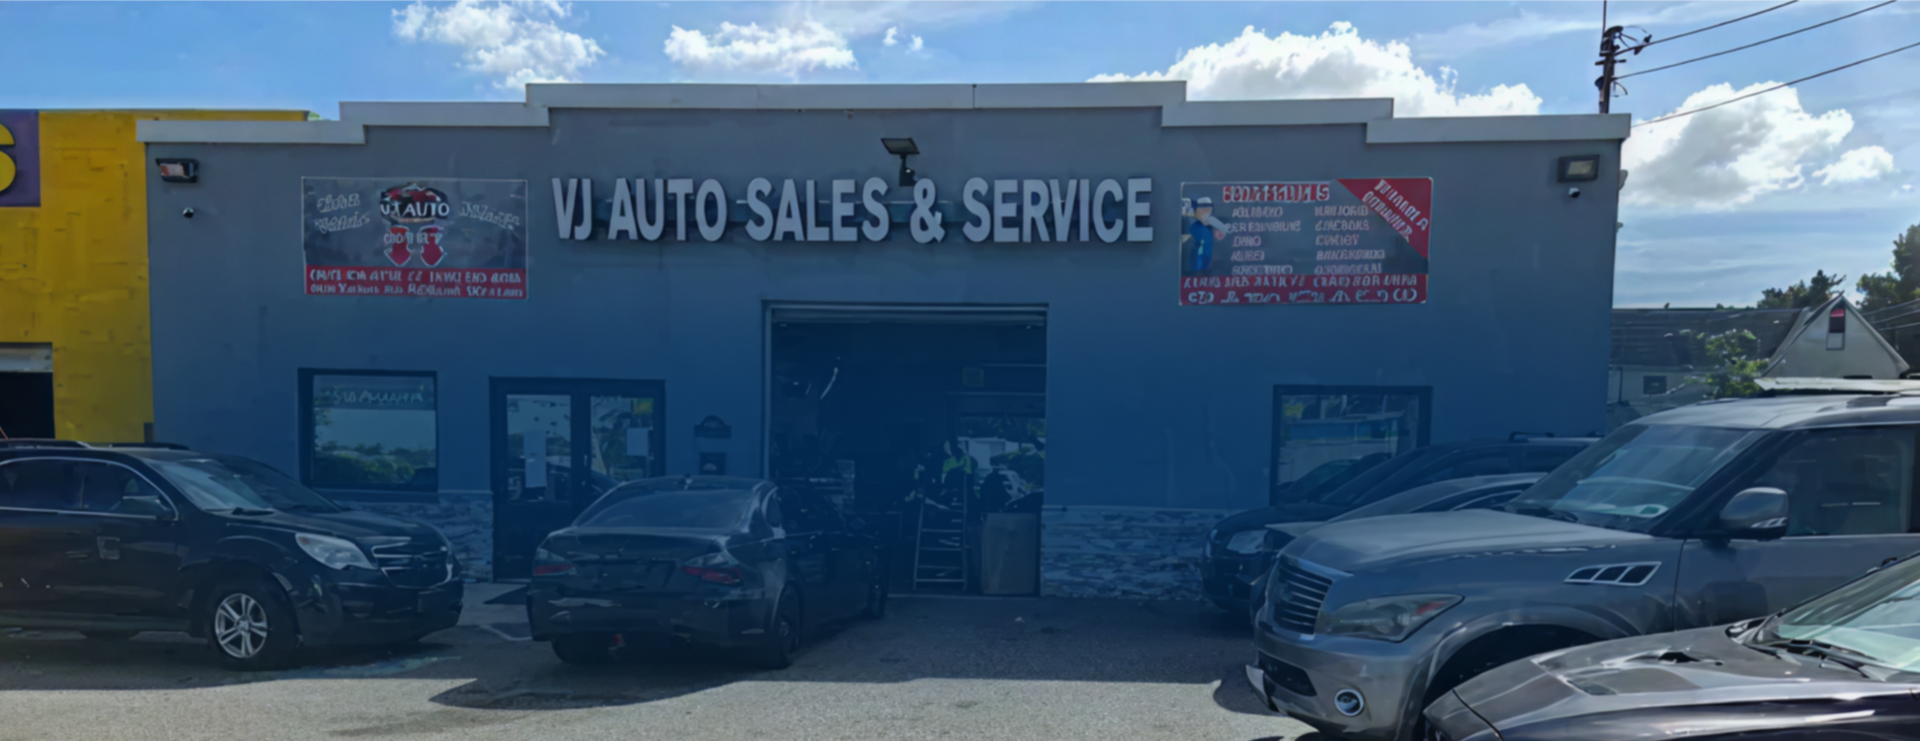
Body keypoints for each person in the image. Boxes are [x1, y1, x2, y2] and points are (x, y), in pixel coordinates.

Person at [1186, 196, 1229, 273]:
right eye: (1204, 209)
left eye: (1208, 209)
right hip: (1196, 266)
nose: (1206, 211)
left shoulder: (1210, 227)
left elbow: (1224, 230)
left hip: (1206, 267)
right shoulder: (1195, 227)